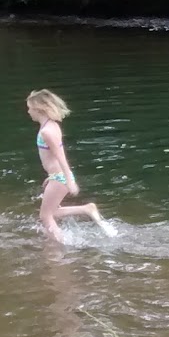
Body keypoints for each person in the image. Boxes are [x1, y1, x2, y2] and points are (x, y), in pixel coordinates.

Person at [27, 89, 116, 243]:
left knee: (45, 216)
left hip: (60, 177)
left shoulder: (47, 131)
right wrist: (52, 176)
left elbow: (60, 156)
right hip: (56, 176)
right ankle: (87, 209)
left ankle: (58, 247)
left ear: (39, 109)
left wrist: (68, 180)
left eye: (29, 108)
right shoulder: (51, 126)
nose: (28, 112)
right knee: (53, 212)